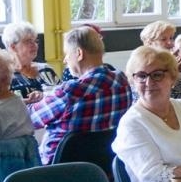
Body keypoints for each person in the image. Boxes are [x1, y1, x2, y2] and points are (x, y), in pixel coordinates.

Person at [29, 26, 133, 162]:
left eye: (67, 54)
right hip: (105, 169)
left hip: (57, 170)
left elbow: (29, 120)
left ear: (79, 54)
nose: (65, 60)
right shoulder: (122, 82)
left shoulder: (71, 92)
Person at [112, 46, 181, 182]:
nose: (148, 82)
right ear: (133, 81)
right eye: (141, 76)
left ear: (172, 77)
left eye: (157, 75)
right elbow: (155, 176)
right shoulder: (132, 123)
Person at [2, 21, 59, 102]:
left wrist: (43, 96)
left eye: (35, 41)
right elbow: (2, 106)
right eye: (28, 41)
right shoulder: (4, 76)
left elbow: (62, 95)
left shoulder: (46, 69)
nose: (34, 45)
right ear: (13, 47)